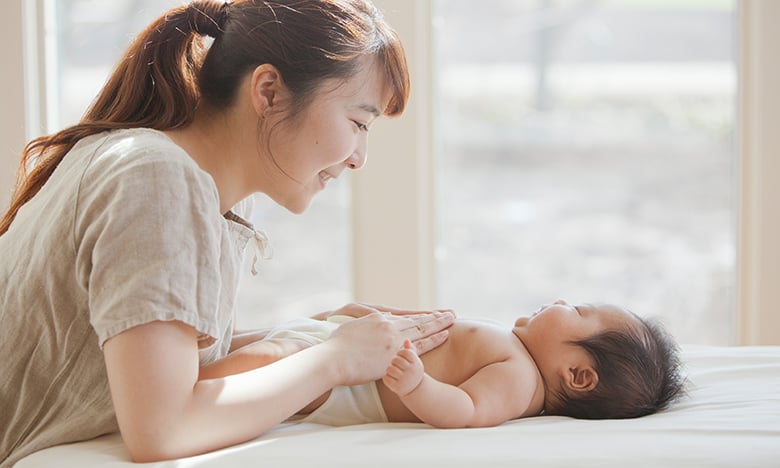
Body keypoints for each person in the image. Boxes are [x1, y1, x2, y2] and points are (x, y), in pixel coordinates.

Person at [0, 1, 456, 466]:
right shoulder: (157, 179)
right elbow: (161, 429)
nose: (360, 157)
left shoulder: (178, 177)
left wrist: (315, 331)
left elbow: (157, 359)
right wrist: (334, 359)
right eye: (358, 123)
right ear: (268, 91)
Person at [209, 300, 685, 427]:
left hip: (347, 382)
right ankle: (161, 374)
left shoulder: (520, 382)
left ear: (578, 375)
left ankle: (160, 396)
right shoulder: (514, 348)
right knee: (233, 345)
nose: (562, 300)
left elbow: (465, 410)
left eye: (579, 312)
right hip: (342, 344)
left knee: (263, 361)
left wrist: (416, 385)